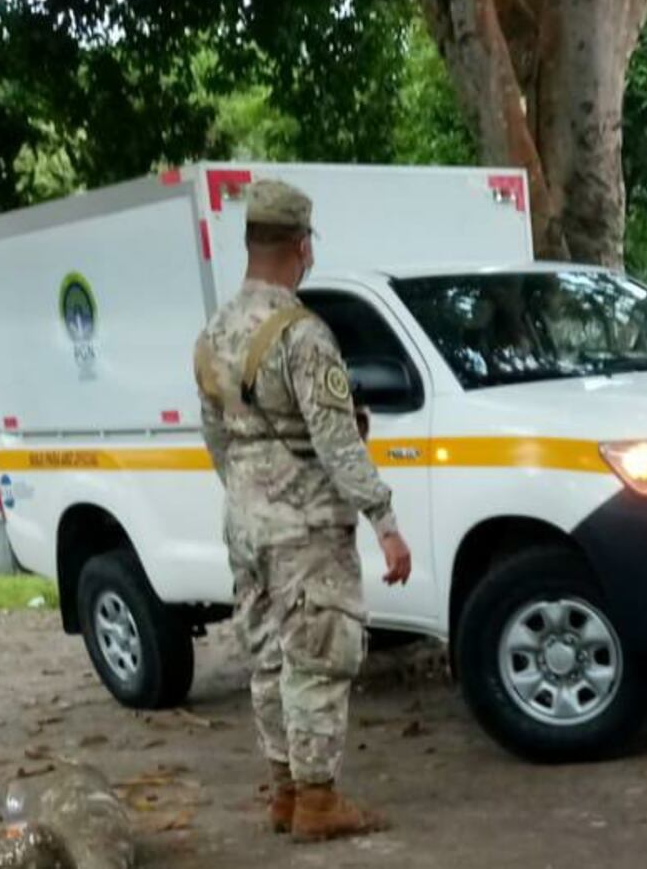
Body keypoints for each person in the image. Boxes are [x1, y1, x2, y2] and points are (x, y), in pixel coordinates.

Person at [192, 179, 412, 843]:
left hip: (245, 517)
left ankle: (285, 791)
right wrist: (386, 521)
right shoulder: (302, 334)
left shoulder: (214, 334)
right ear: (302, 245)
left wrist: (247, 494)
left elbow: (216, 438)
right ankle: (318, 800)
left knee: (267, 656)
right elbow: (336, 438)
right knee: (318, 650)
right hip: (305, 522)